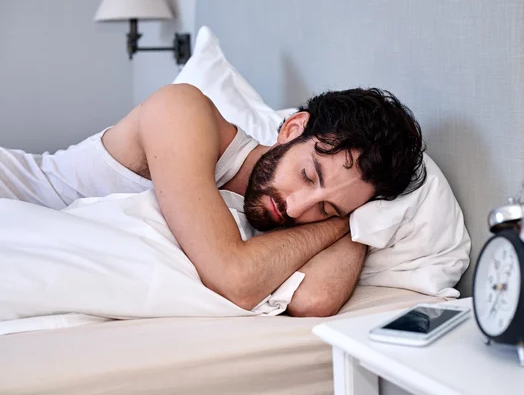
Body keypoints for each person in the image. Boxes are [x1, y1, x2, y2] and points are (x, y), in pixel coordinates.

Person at [0, 85, 426, 317]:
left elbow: (314, 300)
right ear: (292, 128)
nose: (297, 209)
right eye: (307, 175)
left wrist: (362, 219)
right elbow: (236, 279)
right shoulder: (181, 111)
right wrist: (337, 223)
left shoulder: (298, 210)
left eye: (328, 209)